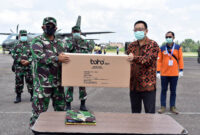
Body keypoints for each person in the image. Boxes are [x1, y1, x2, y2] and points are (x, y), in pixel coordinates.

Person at [30, 17, 70, 127]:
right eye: (48, 26)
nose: (50, 28)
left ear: (56, 28)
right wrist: (57, 58)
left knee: (61, 112)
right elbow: (40, 56)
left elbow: (68, 59)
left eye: (52, 26)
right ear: (43, 27)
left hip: (58, 84)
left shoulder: (61, 43)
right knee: (38, 113)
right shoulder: (37, 41)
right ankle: (35, 130)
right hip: (43, 85)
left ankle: (59, 130)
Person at [127, 20, 159, 113]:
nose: (138, 32)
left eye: (140, 29)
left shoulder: (153, 44)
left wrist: (134, 58)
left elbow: (148, 60)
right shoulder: (131, 46)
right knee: (135, 114)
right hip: (134, 86)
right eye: (135, 30)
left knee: (149, 114)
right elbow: (126, 60)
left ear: (146, 31)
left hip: (147, 87)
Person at [65, 25, 93, 111]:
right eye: (74, 32)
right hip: (71, 68)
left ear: (80, 32)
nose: (76, 33)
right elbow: (64, 51)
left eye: (77, 32)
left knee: (82, 87)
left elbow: (89, 52)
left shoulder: (84, 42)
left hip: (82, 68)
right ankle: (68, 105)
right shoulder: (67, 42)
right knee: (69, 87)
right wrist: (73, 43)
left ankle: (83, 104)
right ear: (71, 33)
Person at [157, 31, 184, 114]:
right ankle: (162, 106)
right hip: (164, 74)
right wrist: (158, 71)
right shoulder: (162, 48)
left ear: (173, 38)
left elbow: (180, 59)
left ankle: (172, 107)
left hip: (174, 74)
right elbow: (159, 61)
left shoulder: (178, 47)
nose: (168, 38)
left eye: (170, 37)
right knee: (163, 91)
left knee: (173, 91)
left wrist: (181, 70)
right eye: (167, 37)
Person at [11, 30, 33, 103]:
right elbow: (13, 53)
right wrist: (20, 60)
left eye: (25, 35)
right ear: (20, 36)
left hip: (28, 67)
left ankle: (32, 95)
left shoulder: (30, 45)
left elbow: (33, 54)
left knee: (30, 81)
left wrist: (28, 61)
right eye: (22, 35)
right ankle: (18, 96)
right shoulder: (16, 45)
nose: (23, 36)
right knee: (18, 82)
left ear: (26, 36)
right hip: (19, 67)